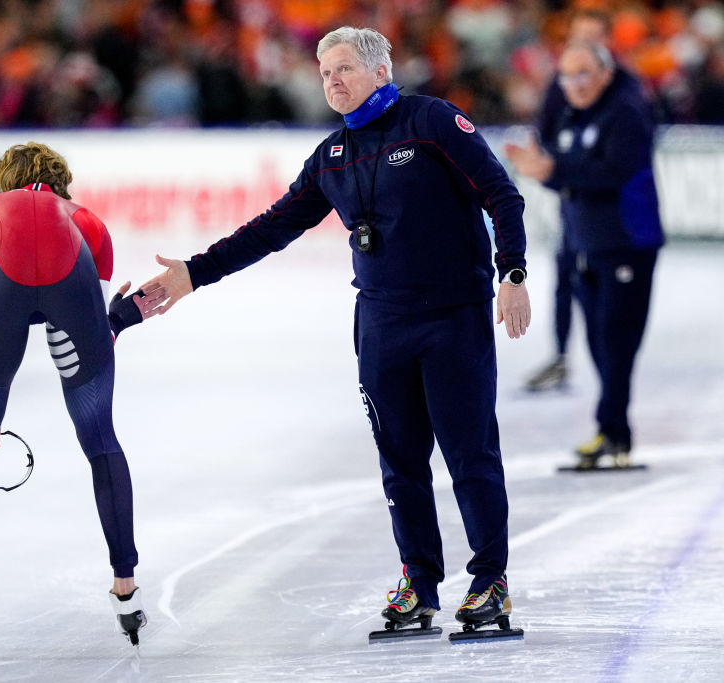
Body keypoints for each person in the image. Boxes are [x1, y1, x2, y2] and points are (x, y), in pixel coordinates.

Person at [140, 26, 531, 636]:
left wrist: (512, 272)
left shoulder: (430, 122)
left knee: (468, 453)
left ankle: (490, 584)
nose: (333, 81)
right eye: (324, 73)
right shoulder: (331, 157)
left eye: (344, 68)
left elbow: (502, 196)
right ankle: (420, 583)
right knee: (400, 462)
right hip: (379, 325)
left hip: (452, 320)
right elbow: (271, 228)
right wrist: (196, 272)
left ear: (380, 71)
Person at [0, 142, 154, 650]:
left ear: (4, 183)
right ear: (61, 183)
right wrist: (119, 318)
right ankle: (127, 590)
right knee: (100, 441)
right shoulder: (87, 220)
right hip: (71, 290)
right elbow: (98, 330)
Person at [505, 41, 663, 468]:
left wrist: (554, 170)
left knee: (615, 343)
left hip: (628, 244)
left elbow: (616, 173)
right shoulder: (573, 116)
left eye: (583, 73)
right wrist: (545, 171)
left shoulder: (626, 113)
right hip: (586, 245)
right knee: (598, 342)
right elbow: (571, 179)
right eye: (566, 75)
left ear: (605, 74)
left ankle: (613, 433)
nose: (573, 84)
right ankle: (613, 433)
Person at [520, 8, 647, 392]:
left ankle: (612, 392)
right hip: (574, 200)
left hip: (615, 220)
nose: (586, 46)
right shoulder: (562, 85)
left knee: (606, 305)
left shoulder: (625, 92)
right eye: (579, 38)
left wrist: (558, 169)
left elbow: (622, 164)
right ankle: (562, 355)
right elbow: (546, 131)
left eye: (594, 37)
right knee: (566, 274)